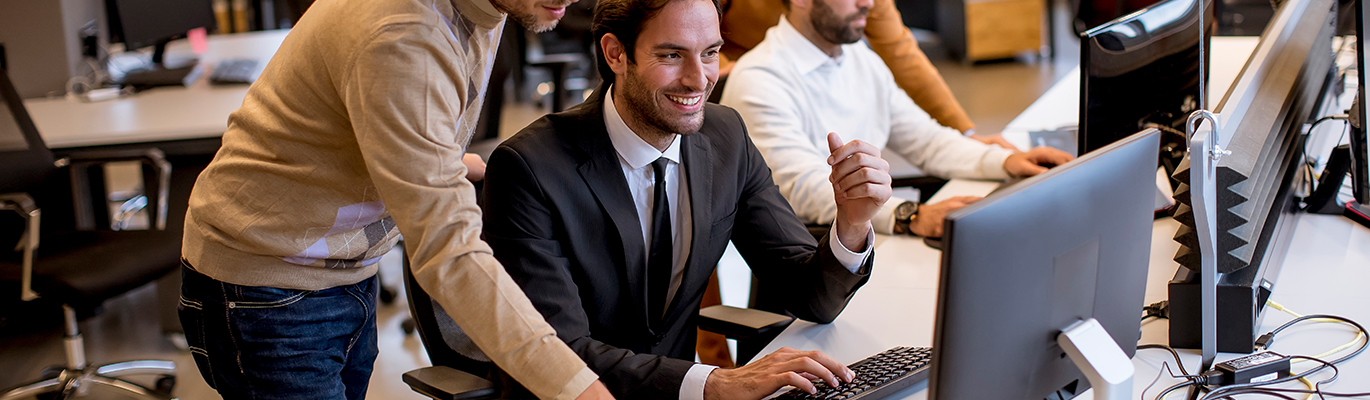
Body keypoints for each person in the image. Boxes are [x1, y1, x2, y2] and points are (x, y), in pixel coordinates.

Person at [177, 0, 617, 398]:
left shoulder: (486, 7)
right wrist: (577, 389)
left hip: (343, 266)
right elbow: (451, 253)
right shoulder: (405, 32)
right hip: (267, 286)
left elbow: (389, 104)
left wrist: (439, 164)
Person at [478, 0, 895, 397]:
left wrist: (852, 224)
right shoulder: (530, 168)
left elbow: (809, 297)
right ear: (615, 54)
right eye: (672, 55)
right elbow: (559, 354)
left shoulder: (725, 135)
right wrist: (715, 383)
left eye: (710, 52)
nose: (699, 79)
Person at [719, 0, 1074, 238]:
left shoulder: (859, 58)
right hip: (813, 265)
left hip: (865, 240)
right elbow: (803, 191)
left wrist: (1006, 161)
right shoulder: (760, 79)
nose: (869, 3)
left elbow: (924, 138)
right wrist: (909, 215)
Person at [717, 0, 1017, 149]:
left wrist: (967, 136)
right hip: (727, 68)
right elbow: (686, 14)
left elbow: (901, 53)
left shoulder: (862, 48)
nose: (867, 4)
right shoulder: (757, 74)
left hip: (811, 62)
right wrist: (713, 61)